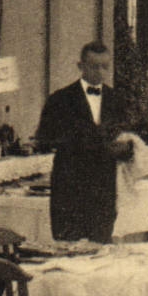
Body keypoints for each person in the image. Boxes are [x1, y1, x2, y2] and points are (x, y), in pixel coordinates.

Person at [34, 41, 134, 242]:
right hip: (70, 191)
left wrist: (125, 149)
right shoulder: (60, 99)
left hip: (104, 192)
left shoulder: (117, 100)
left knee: (101, 253)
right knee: (69, 251)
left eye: (105, 66)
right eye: (94, 66)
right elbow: (44, 138)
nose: (100, 72)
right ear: (81, 66)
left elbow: (130, 138)